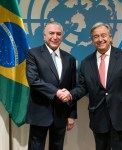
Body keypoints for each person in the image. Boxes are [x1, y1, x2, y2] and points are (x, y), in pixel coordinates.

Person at [60, 22, 122, 150]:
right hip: (98, 117)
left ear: (110, 37)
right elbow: (82, 87)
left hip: (121, 116)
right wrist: (69, 94)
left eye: (103, 35)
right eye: (96, 36)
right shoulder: (86, 62)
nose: (100, 39)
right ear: (92, 40)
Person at [26, 21, 77, 150]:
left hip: (61, 114)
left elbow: (72, 87)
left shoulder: (69, 58)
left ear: (62, 36)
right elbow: (33, 80)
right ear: (44, 36)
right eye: (51, 33)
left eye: (58, 34)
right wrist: (57, 92)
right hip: (39, 113)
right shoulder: (33, 54)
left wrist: (71, 115)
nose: (55, 37)